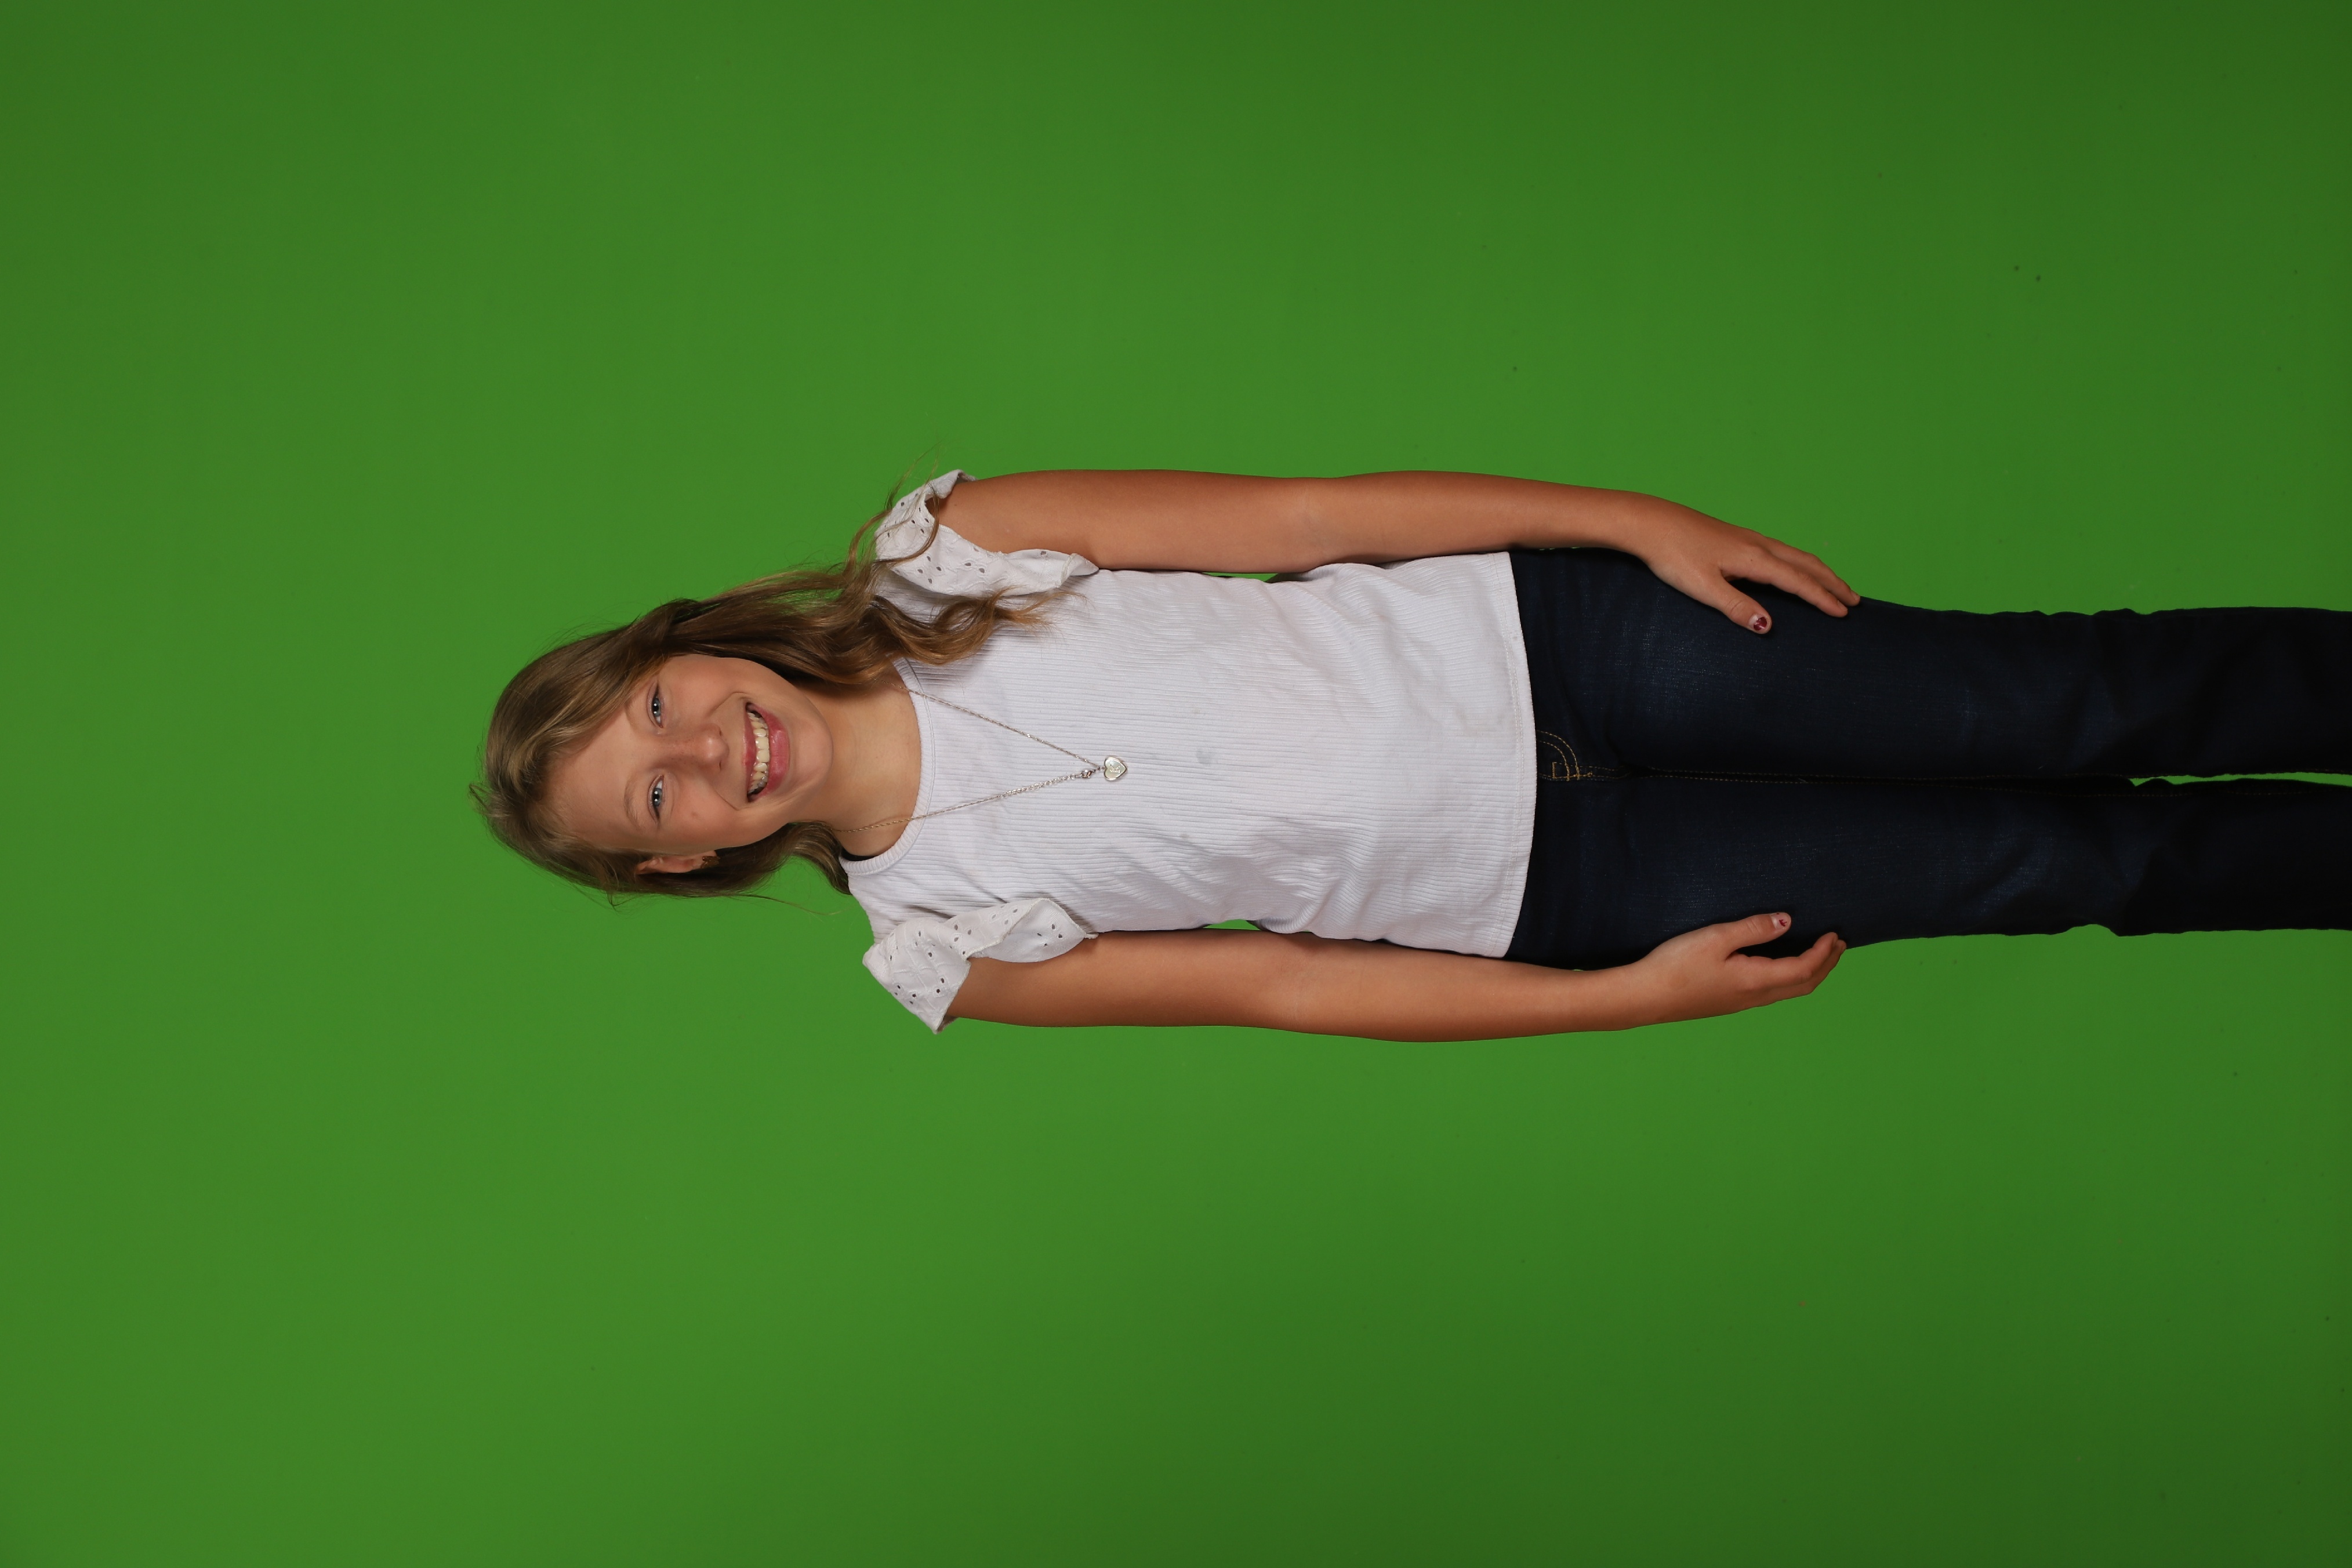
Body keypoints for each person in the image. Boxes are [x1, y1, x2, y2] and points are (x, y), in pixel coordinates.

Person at [476, 470, 2351, 1040]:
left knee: (2061, 706)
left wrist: (1625, 526)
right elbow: (1287, 985)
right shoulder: (942, 945)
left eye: (657, 705)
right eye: (659, 793)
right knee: (2068, 862)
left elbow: (1306, 514)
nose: (702, 748)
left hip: (1568, 645)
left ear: (681, 646)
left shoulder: (948, 556)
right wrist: (1625, 998)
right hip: (1572, 892)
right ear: (681, 858)